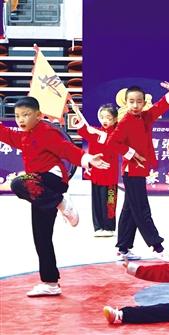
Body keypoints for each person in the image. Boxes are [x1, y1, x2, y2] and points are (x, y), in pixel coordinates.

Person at [0, 96, 109, 296]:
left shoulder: (46, 131)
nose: (21, 119)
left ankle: (61, 202)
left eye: (26, 115)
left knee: (17, 183)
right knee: (41, 235)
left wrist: (87, 158)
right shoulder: (24, 135)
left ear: (38, 115)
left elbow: (65, 148)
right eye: (17, 116)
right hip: (39, 189)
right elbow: (6, 134)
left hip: (52, 180)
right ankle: (50, 283)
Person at [106, 82, 169, 260]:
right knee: (142, 210)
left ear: (144, 103)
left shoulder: (145, 117)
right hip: (132, 172)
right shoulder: (125, 122)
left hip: (140, 170)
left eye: (139, 102)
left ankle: (122, 248)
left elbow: (159, 108)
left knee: (130, 211)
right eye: (131, 101)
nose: (135, 105)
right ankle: (157, 247)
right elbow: (112, 142)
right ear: (126, 103)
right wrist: (132, 153)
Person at [73, 103, 128, 238]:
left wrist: (96, 132)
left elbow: (108, 140)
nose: (105, 120)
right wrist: (77, 113)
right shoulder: (95, 132)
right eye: (102, 117)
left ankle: (109, 227)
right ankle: (98, 227)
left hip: (109, 175)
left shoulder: (116, 133)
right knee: (96, 201)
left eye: (108, 117)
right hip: (96, 174)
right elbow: (83, 130)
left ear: (115, 119)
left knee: (110, 201)